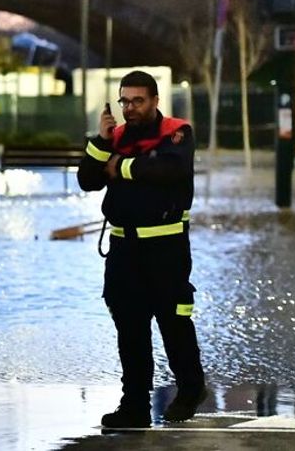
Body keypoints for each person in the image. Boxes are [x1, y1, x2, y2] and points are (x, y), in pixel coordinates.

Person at [77, 70, 207, 428]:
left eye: (137, 101)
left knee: (174, 322)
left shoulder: (177, 133)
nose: (130, 108)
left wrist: (122, 166)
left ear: (154, 101)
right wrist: (101, 143)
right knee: (130, 330)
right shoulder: (114, 137)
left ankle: (191, 388)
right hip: (123, 250)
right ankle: (134, 405)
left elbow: (170, 168)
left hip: (166, 247)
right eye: (124, 101)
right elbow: (88, 179)